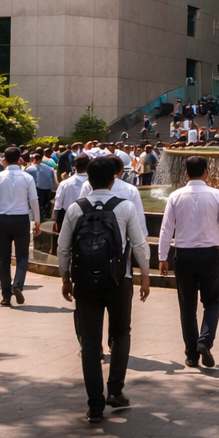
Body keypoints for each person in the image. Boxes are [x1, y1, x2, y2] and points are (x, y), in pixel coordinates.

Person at [59, 154, 151, 423]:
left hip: (85, 283)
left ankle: (95, 405)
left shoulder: (76, 208)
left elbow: (63, 248)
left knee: (90, 343)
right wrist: (145, 275)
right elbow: (139, 244)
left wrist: (65, 278)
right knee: (121, 333)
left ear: (88, 179)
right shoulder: (125, 207)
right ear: (114, 179)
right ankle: (115, 390)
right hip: (119, 280)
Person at [158, 155, 219, 367]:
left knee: (187, 307)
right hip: (209, 255)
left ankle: (191, 354)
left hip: (183, 256)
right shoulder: (217, 195)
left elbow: (166, 228)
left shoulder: (175, 196)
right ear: (206, 172)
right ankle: (204, 341)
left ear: (186, 173)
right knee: (212, 302)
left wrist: (162, 257)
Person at [0, 146, 41, 306]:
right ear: (20, 159)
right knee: (22, 255)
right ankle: (18, 283)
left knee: (3, 258)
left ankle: (6, 296)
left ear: (4, 160)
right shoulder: (27, 177)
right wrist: (37, 221)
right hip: (21, 219)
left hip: (2, 220)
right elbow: (34, 200)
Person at [27, 151, 57, 219]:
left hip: (37, 188)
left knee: (38, 202)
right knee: (44, 202)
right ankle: (44, 212)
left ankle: (39, 214)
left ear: (34, 160)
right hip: (47, 188)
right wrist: (52, 189)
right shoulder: (49, 168)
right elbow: (52, 179)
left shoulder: (30, 169)